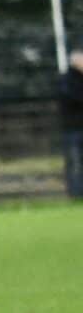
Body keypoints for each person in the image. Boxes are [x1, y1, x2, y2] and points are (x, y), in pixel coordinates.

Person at [61, 48, 83, 200]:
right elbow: (72, 98)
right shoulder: (67, 80)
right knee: (74, 161)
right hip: (73, 128)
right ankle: (75, 193)